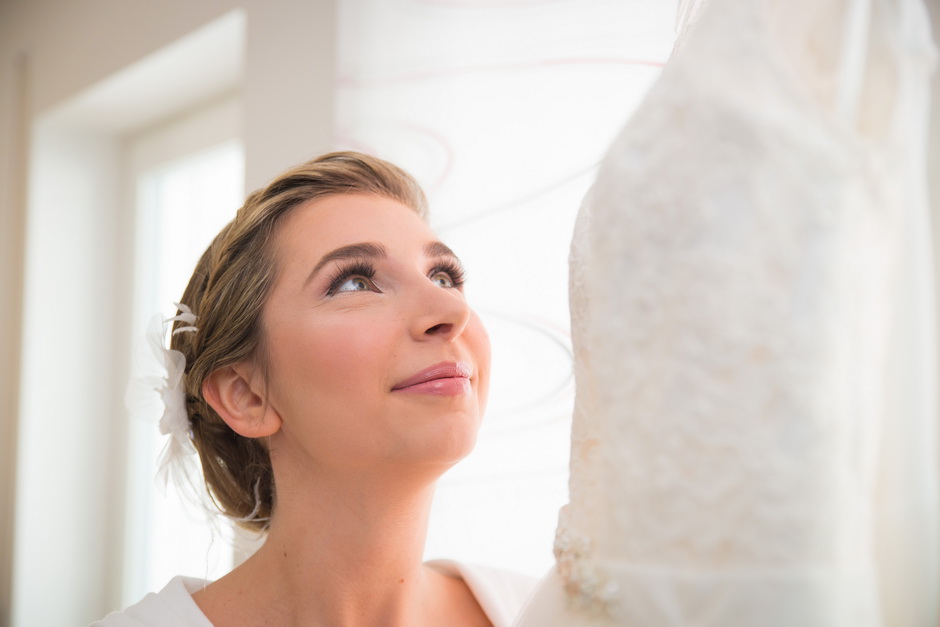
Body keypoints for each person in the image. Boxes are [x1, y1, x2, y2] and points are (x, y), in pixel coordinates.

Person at [94, 152, 536, 626]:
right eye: (354, 282)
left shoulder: (557, 613)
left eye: (443, 276)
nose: (451, 311)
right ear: (247, 395)